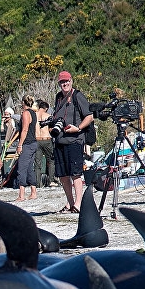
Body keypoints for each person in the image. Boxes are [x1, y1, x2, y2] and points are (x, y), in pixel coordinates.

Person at [51, 70, 94, 213]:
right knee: (63, 175)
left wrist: (78, 128)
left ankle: (79, 203)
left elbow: (89, 116)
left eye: (67, 81)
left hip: (75, 140)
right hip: (60, 141)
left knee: (76, 173)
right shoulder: (58, 98)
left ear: (71, 81)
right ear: (59, 83)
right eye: (62, 82)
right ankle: (70, 203)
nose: (65, 84)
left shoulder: (77, 96)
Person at [13, 94, 39, 201]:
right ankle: (33, 192)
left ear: (23, 102)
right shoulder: (34, 113)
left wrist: (20, 145)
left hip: (27, 143)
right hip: (33, 143)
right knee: (29, 169)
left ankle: (21, 195)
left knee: (21, 168)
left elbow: (24, 130)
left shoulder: (26, 113)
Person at [34, 100, 54, 187]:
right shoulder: (48, 116)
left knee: (37, 163)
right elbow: (51, 129)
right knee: (51, 161)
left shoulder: (34, 116)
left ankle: (37, 183)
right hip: (47, 139)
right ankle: (51, 180)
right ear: (46, 108)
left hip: (37, 139)